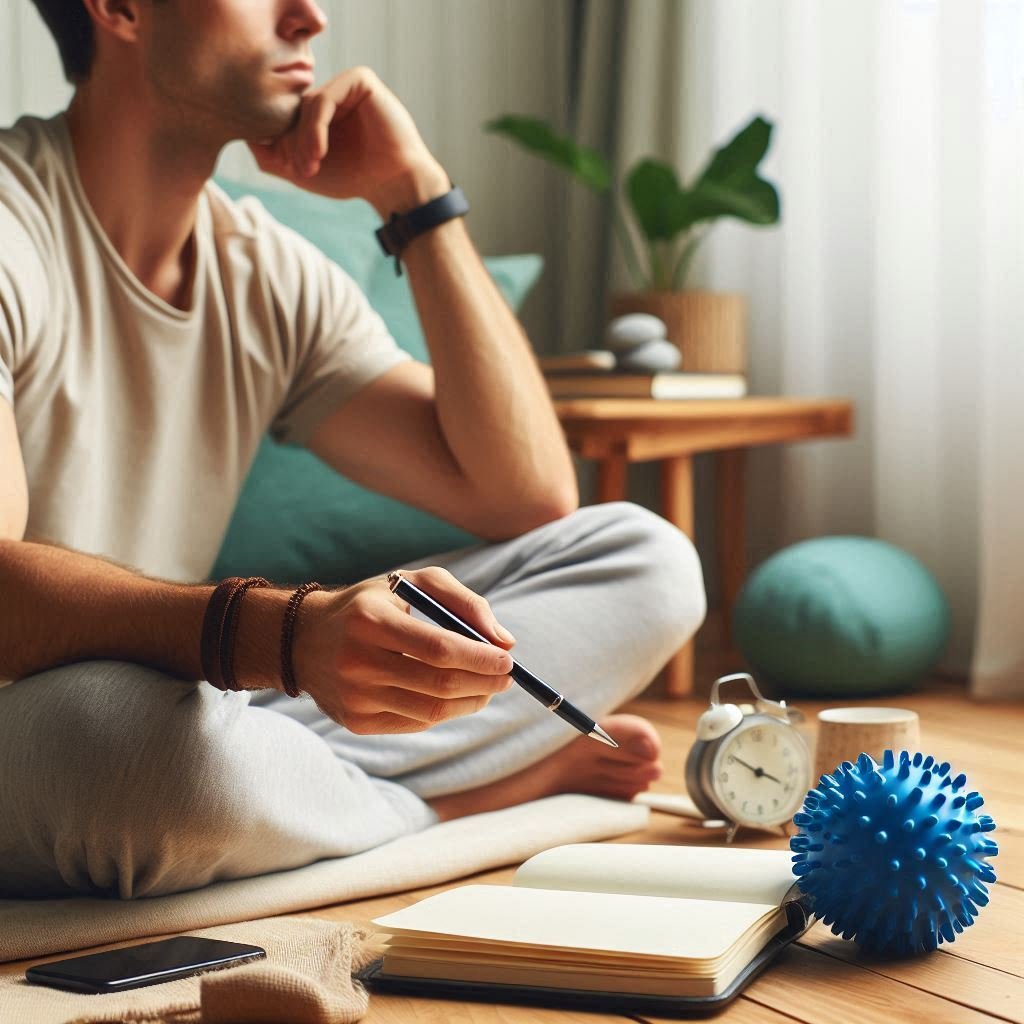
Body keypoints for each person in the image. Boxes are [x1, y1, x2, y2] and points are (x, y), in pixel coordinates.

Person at [0, 0, 705, 900]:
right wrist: (288, 635)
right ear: (120, 8)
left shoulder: (264, 270)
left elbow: (524, 496)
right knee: (131, 748)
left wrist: (415, 197)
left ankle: (304, 794)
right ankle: (447, 806)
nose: (310, 16)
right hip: (47, 727)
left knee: (645, 559)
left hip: (202, 703)